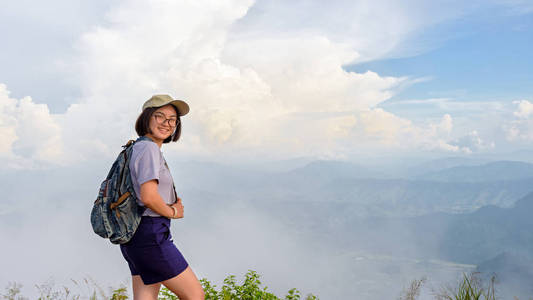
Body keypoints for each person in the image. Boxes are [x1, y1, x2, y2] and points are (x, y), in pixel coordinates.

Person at [119, 94, 205, 300]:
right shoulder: (148, 148)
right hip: (151, 234)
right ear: (146, 118)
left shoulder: (137, 147)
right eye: (159, 116)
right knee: (195, 296)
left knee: (146, 297)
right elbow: (148, 197)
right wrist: (173, 211)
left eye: (172, 119)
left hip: (135, 234)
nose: (167, 123)